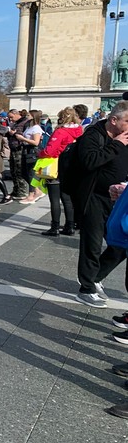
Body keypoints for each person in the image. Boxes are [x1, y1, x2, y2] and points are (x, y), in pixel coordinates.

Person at [74, 101, 128, 307]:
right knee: (92, 243)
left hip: (119, 197)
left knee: (121, 242)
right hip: (93, 196)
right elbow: (90, 161)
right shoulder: (93, 135)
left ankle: (96, 276)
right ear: (114, 120)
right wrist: (117, 145)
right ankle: (86, 288)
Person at [35, 107, 82, 236]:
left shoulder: (60, 132)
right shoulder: (79, 131)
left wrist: (41, 153)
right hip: (71, 168)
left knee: (54, 199)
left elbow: (50, 150)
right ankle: (70, 226)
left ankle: (54, 226)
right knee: (67, 199)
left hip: (56, 166)